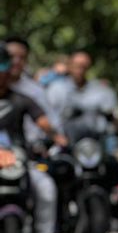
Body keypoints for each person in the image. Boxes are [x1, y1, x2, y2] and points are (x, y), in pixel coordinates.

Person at [5, 37, 66, 233]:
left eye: (21, 58)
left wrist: (55, 138)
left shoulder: (29, 94)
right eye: (10, 58)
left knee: (46, 187)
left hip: (23, 157)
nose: (15, 63)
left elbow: (46, 122)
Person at [0, 47, 68, 193]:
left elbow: (43, 122)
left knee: (46, 189)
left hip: (17, 162)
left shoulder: (22, 99)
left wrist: (59, 139)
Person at [46, 51, 118, 151]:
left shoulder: (101, 90)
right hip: (66, 143)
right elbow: (50, 117)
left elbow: (111, 117)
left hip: (96, 144)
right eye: (77, 66)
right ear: (69, 66)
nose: (80, 70)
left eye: (83, 66)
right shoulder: (56, 89)